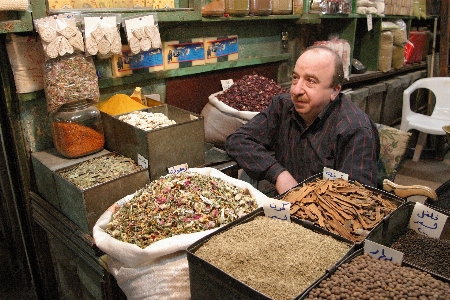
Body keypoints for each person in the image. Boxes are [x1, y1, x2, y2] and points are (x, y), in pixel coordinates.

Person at [225, 46, 380, 195]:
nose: (296, 90)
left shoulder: (355, 130)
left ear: (335, 90)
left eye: (310, 81)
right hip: (287, 207)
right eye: (295, 78)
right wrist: (279, 174)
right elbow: (238, 140)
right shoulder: (283, 107)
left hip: (327, 216)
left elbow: (357, 201)